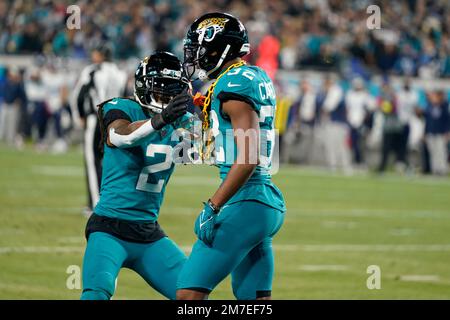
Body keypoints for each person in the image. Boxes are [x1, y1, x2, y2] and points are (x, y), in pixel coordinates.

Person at [177, 12, 286, 300]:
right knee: (255, 301)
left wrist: (213, 206)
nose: (196, 58)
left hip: (246, 200)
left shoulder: (234, 85)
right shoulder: (252, 75)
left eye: (200, 51)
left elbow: (247, 157)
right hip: (262, 199)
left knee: (188, 297)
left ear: (219, 49)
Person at [81, 51, 192, 300]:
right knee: (96, 294)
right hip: (109, 227)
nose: (166, 96)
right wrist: (160, 120)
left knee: (193, 295)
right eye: (160, 89)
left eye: (172, 90)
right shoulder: (121, 107)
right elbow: (120, 135)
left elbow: (204, 152)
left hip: (148, 233)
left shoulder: (182, 121)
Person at [72, 44, 128, 215]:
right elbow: (126, 97)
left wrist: (79, 115)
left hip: (96, 118)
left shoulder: (92, 71)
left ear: (100, 55)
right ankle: (115, 201)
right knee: (114, 162)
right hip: (117, 120)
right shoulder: (121, 72)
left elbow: (79, 95)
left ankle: (97, 204)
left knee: (92, 161)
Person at [423, 90, 449, 175]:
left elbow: (447, 121)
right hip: (431, 132)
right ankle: (435, 169)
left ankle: (442, 169)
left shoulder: (444, 107)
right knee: (433, 152)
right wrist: (425, 133)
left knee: (441, 151)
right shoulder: (429, 107)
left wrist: (447, 132)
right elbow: (426, 122)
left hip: (441, 133)